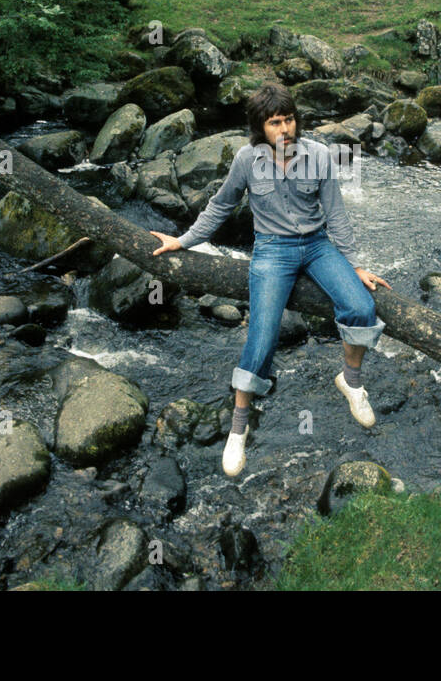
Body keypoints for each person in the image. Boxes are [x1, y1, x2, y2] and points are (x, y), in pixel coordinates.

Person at [150, 82, 392, 477]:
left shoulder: (319, 156)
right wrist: (183, 240)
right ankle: (239, 428)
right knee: (261, 339)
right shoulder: (246, 160)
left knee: (362, 306)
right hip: (272, 251)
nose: (285, 130)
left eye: (290, 119)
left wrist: (355, 265)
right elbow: (221, 205)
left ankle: (351, 382)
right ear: (260, 127)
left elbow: (337, 216)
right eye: (276, 123)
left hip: (316, 245)